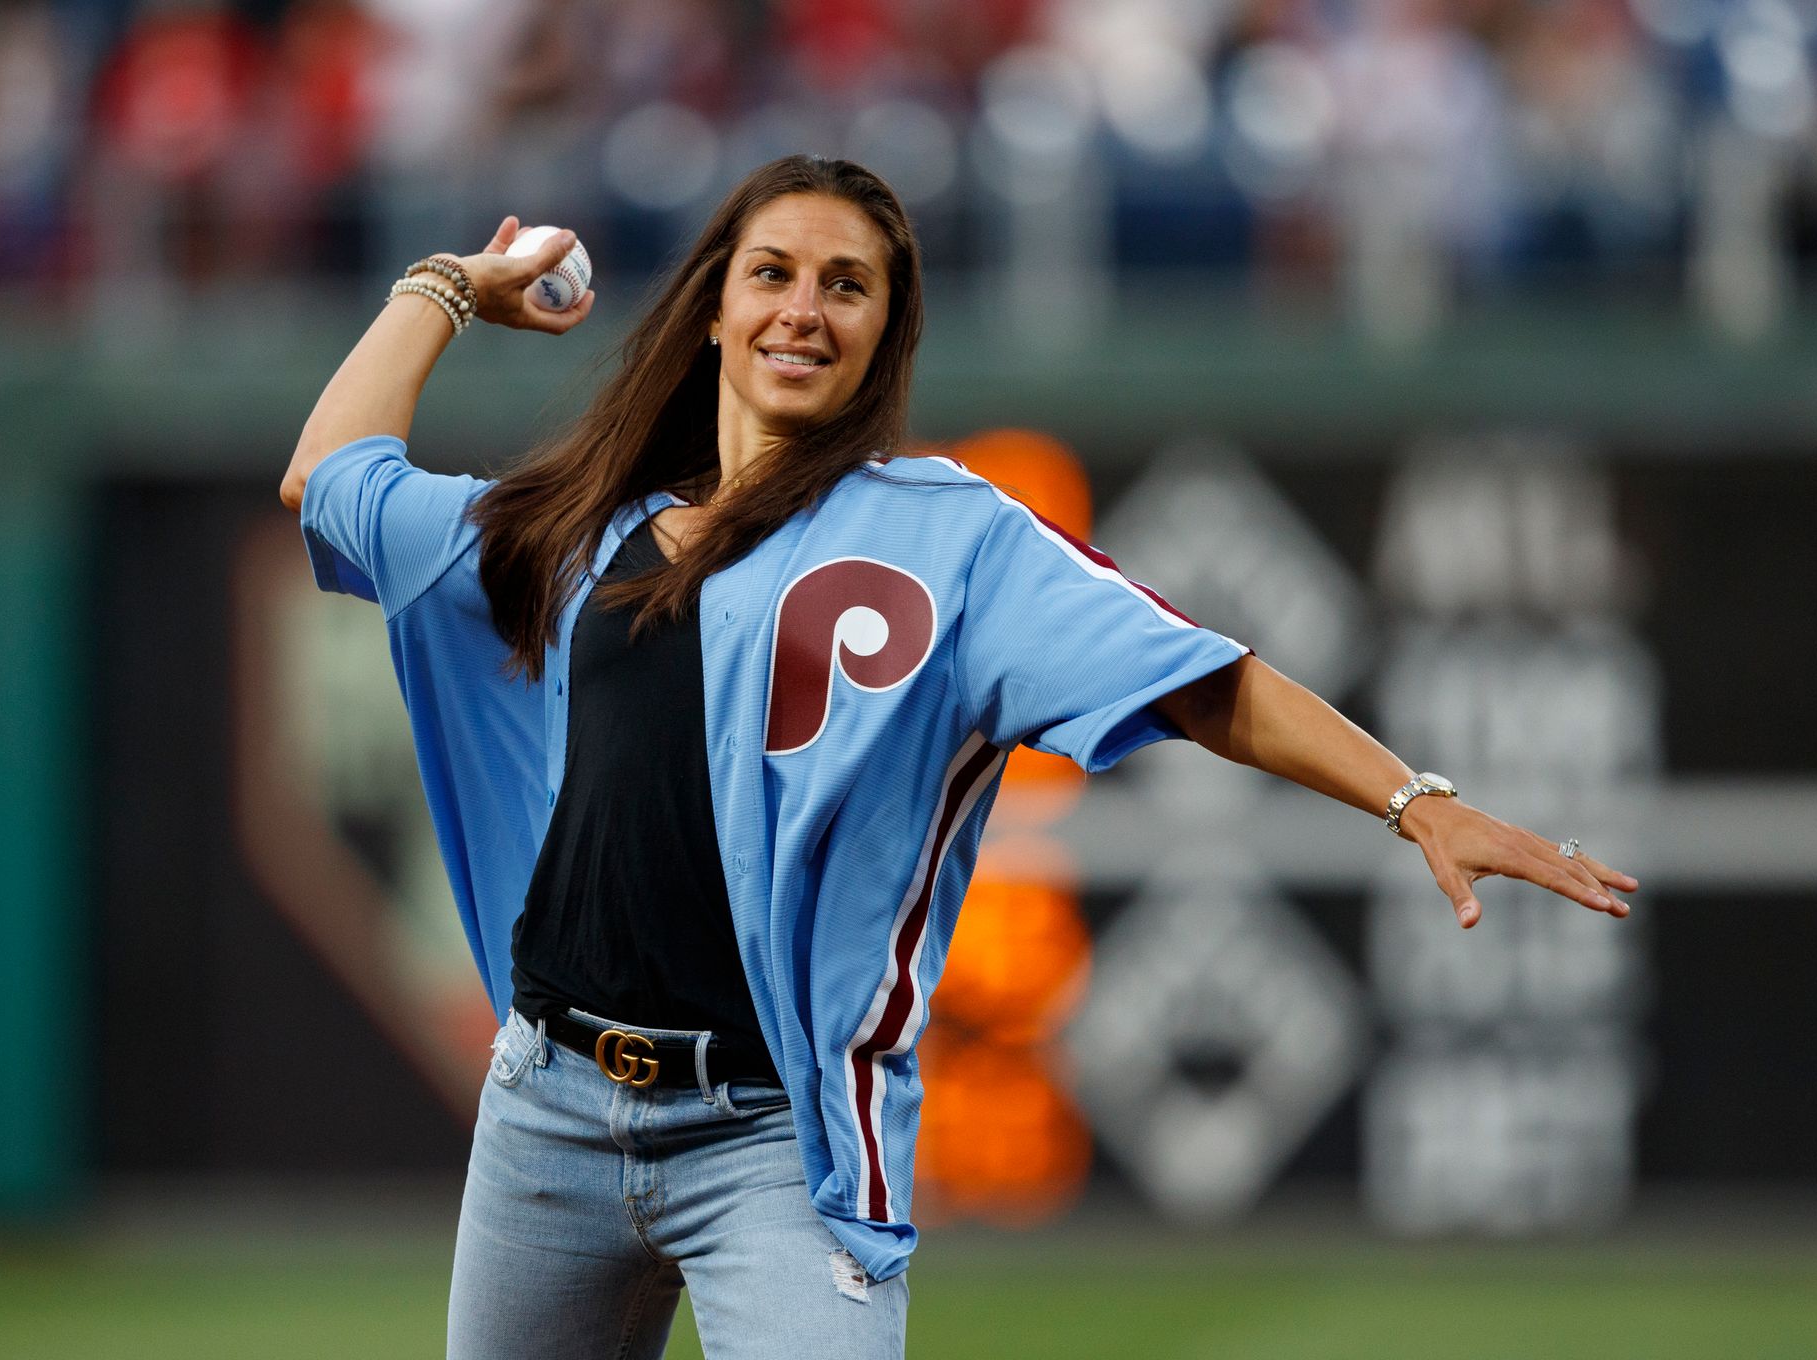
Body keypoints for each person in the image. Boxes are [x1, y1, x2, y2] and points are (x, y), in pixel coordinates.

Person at [278, 155, 1638, 1359]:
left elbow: (1201, 680)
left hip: (771, 1135)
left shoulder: (950, 540)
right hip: (549, 1109)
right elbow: (331, 477)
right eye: (772, 273)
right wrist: (451, 284)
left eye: (847, 286)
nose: (802, 308)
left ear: (885, 336)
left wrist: (1411, 800)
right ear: (711, 308)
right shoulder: (577, 531)